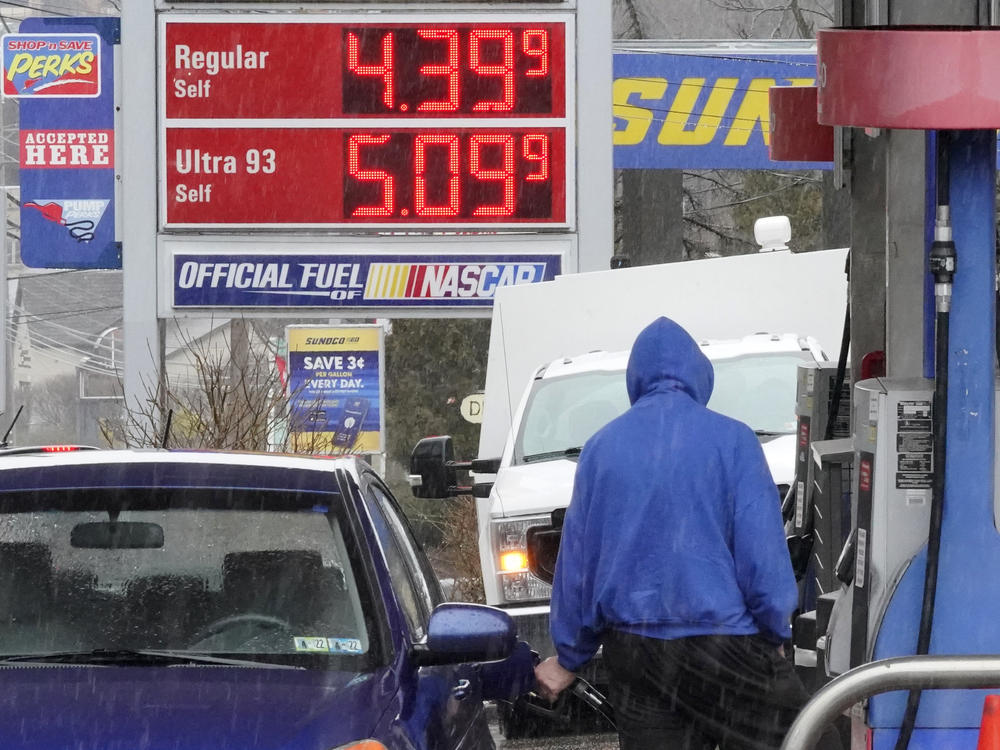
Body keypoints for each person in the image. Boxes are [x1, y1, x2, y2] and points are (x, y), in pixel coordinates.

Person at [534, 316, 839, 750]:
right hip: (724, 648)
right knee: (811, 740)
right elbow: (762, 557)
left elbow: (577, 568)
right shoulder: (734, 442)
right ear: (700, 374)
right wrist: (775, 633)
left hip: (634, 651)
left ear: (635, 379)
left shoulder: (601, 449)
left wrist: (569, 656)